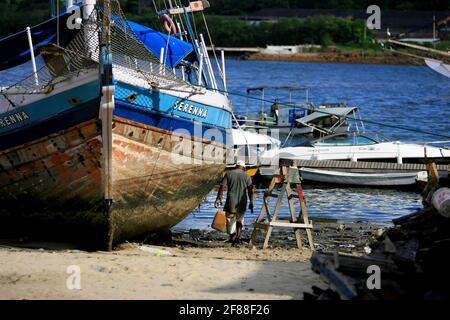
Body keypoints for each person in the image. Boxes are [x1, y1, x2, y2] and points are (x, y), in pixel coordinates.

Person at [214, 160, 254, 245]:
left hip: (231, 200)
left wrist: (218, 198)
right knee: (239, 220)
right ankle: (238, 237)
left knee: (230, 219)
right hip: (242, 201)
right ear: (244, 167)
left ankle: (232, 237)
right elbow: (250, 190)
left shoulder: (228, 174)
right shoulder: (247, 176)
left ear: (236, 166)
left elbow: (222, 187)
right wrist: (251, 202)